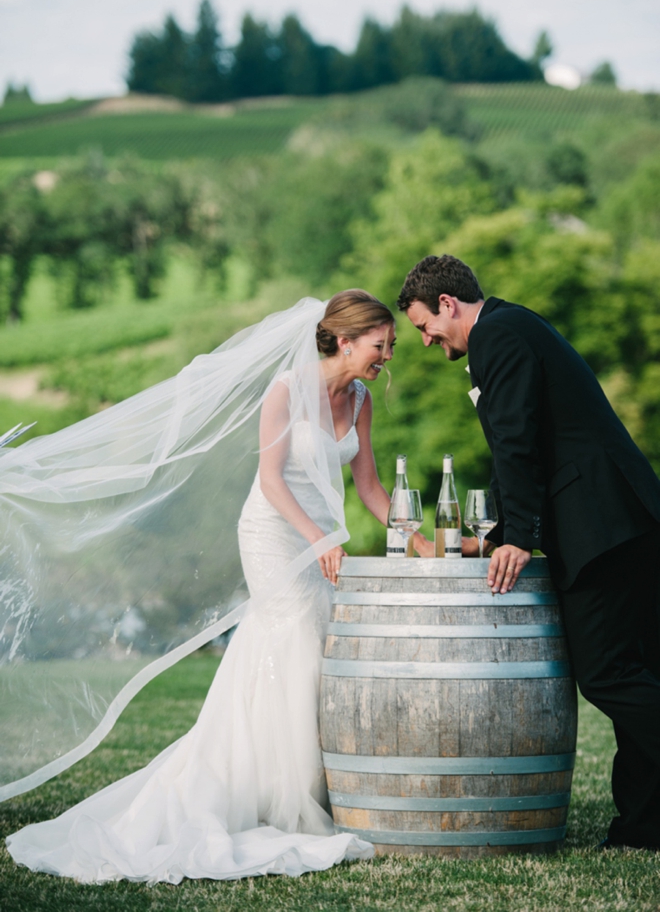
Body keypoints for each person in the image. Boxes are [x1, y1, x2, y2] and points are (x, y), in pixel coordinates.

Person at [6, 290, 423, 882]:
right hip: (275, 534)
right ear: (347, 340)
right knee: (299, 642)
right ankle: (281, 797)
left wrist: (423, 540)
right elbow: (273, 482)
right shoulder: (285, 391)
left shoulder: (358, 400)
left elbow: (373, 488)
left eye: (391, 346)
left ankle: (306, 785)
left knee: (320, 649)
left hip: (320, 540)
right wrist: (321, 540)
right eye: (381, 345)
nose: (388, 356)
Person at [397, 254, 660, 852]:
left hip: (600, 526)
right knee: (641, 674)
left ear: (447, 304)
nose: (425, 341)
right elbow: (541, 436)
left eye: (422, 326)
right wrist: (491, 536)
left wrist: (518, 538)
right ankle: (645, 828)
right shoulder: (515, 326)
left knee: (610, 676)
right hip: (627, 517)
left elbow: (516, 439)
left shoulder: (496, 336)